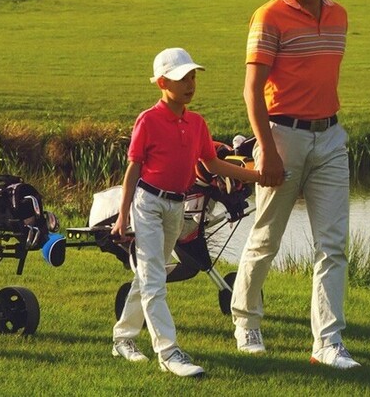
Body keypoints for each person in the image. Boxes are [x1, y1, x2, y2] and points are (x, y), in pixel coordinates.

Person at [230, 0, 361, 369]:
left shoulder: (339, 16)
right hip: (283, 135)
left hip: (330, 136)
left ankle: (328, 342)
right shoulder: (269, 16)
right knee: (267, 237)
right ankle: (246, 322)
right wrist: (265, 150)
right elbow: (252, 89)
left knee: (333, 245)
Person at [111, 47, 262, 378]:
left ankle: (123, 338)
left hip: (177, 206)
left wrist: (258, 176)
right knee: (154, 279)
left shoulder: (196, 123)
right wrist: (123, 217)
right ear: (163, 82)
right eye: (183, 78)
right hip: (148, 204)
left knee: (151, 275)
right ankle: (168, 351)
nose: (190, 83)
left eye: (193, 76)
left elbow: (213, 163)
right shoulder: (148, 120)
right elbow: (132, 172)